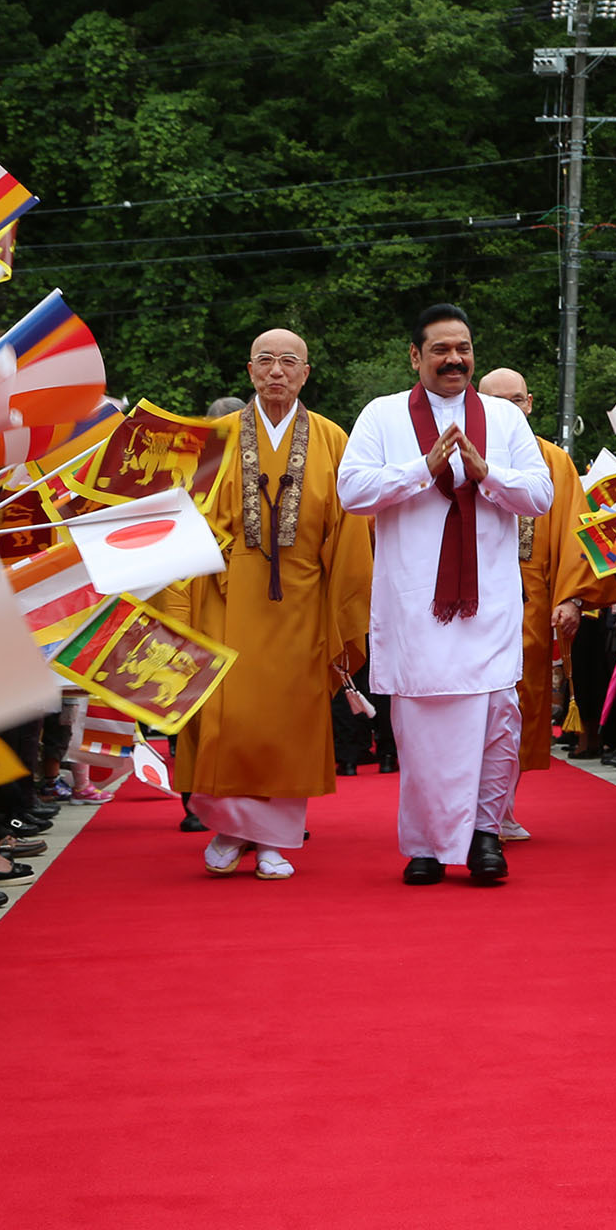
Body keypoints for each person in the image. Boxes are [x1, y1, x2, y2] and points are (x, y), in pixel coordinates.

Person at [337, 305, 553, 886]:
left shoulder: (504, 420)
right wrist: (421, 468)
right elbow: (351, 491)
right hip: (417, 607)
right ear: (416, 356)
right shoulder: (382, 415)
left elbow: (540, 495)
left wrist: (488, 474)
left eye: (463, 348)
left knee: (497, 722)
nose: (454, 359)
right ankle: (426, 845)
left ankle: (485, 837)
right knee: (421, 731)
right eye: (441, 350)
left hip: (489, 604)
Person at [172, 329, 372, 880]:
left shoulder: (332, 438)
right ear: (250, 370)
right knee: (228, 717)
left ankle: (272, 841)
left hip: (305, 598)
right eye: (265, 360)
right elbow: (187, 515)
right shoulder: (214, 438)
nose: (276, 371)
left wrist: (341, 610)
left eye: (288, 361)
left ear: (306, 373)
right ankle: (231, 829)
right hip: (227, 594)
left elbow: (350, 530)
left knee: (291, 720)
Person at [479, 367, 616, 840]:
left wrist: (573, 597)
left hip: (530, 603)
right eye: (497, 402)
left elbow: (576, 531)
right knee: (471, 705)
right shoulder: (461, 455)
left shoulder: (553, 461)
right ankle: (465, 810)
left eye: (516, 400)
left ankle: (500, 808)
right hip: (470, 603)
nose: (509, 410)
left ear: (530, 403)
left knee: (520, 704)